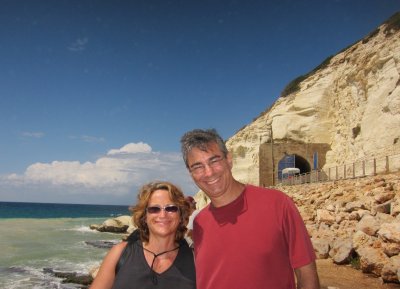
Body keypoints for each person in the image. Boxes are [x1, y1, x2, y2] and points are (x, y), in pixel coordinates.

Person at [180, 129, 320, 289]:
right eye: (198, 166)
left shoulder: (277, 204)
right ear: (191, 174)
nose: (209, 172)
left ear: (229, 160)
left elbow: (306, 274)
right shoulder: (199, 223)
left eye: (214, 160)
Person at [90, 181, 196, 289]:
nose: (163, 215)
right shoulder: (120, 253)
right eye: (154, 209)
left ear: (181, 215)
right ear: (145, 217)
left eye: (171, 208)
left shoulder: (195, 261)